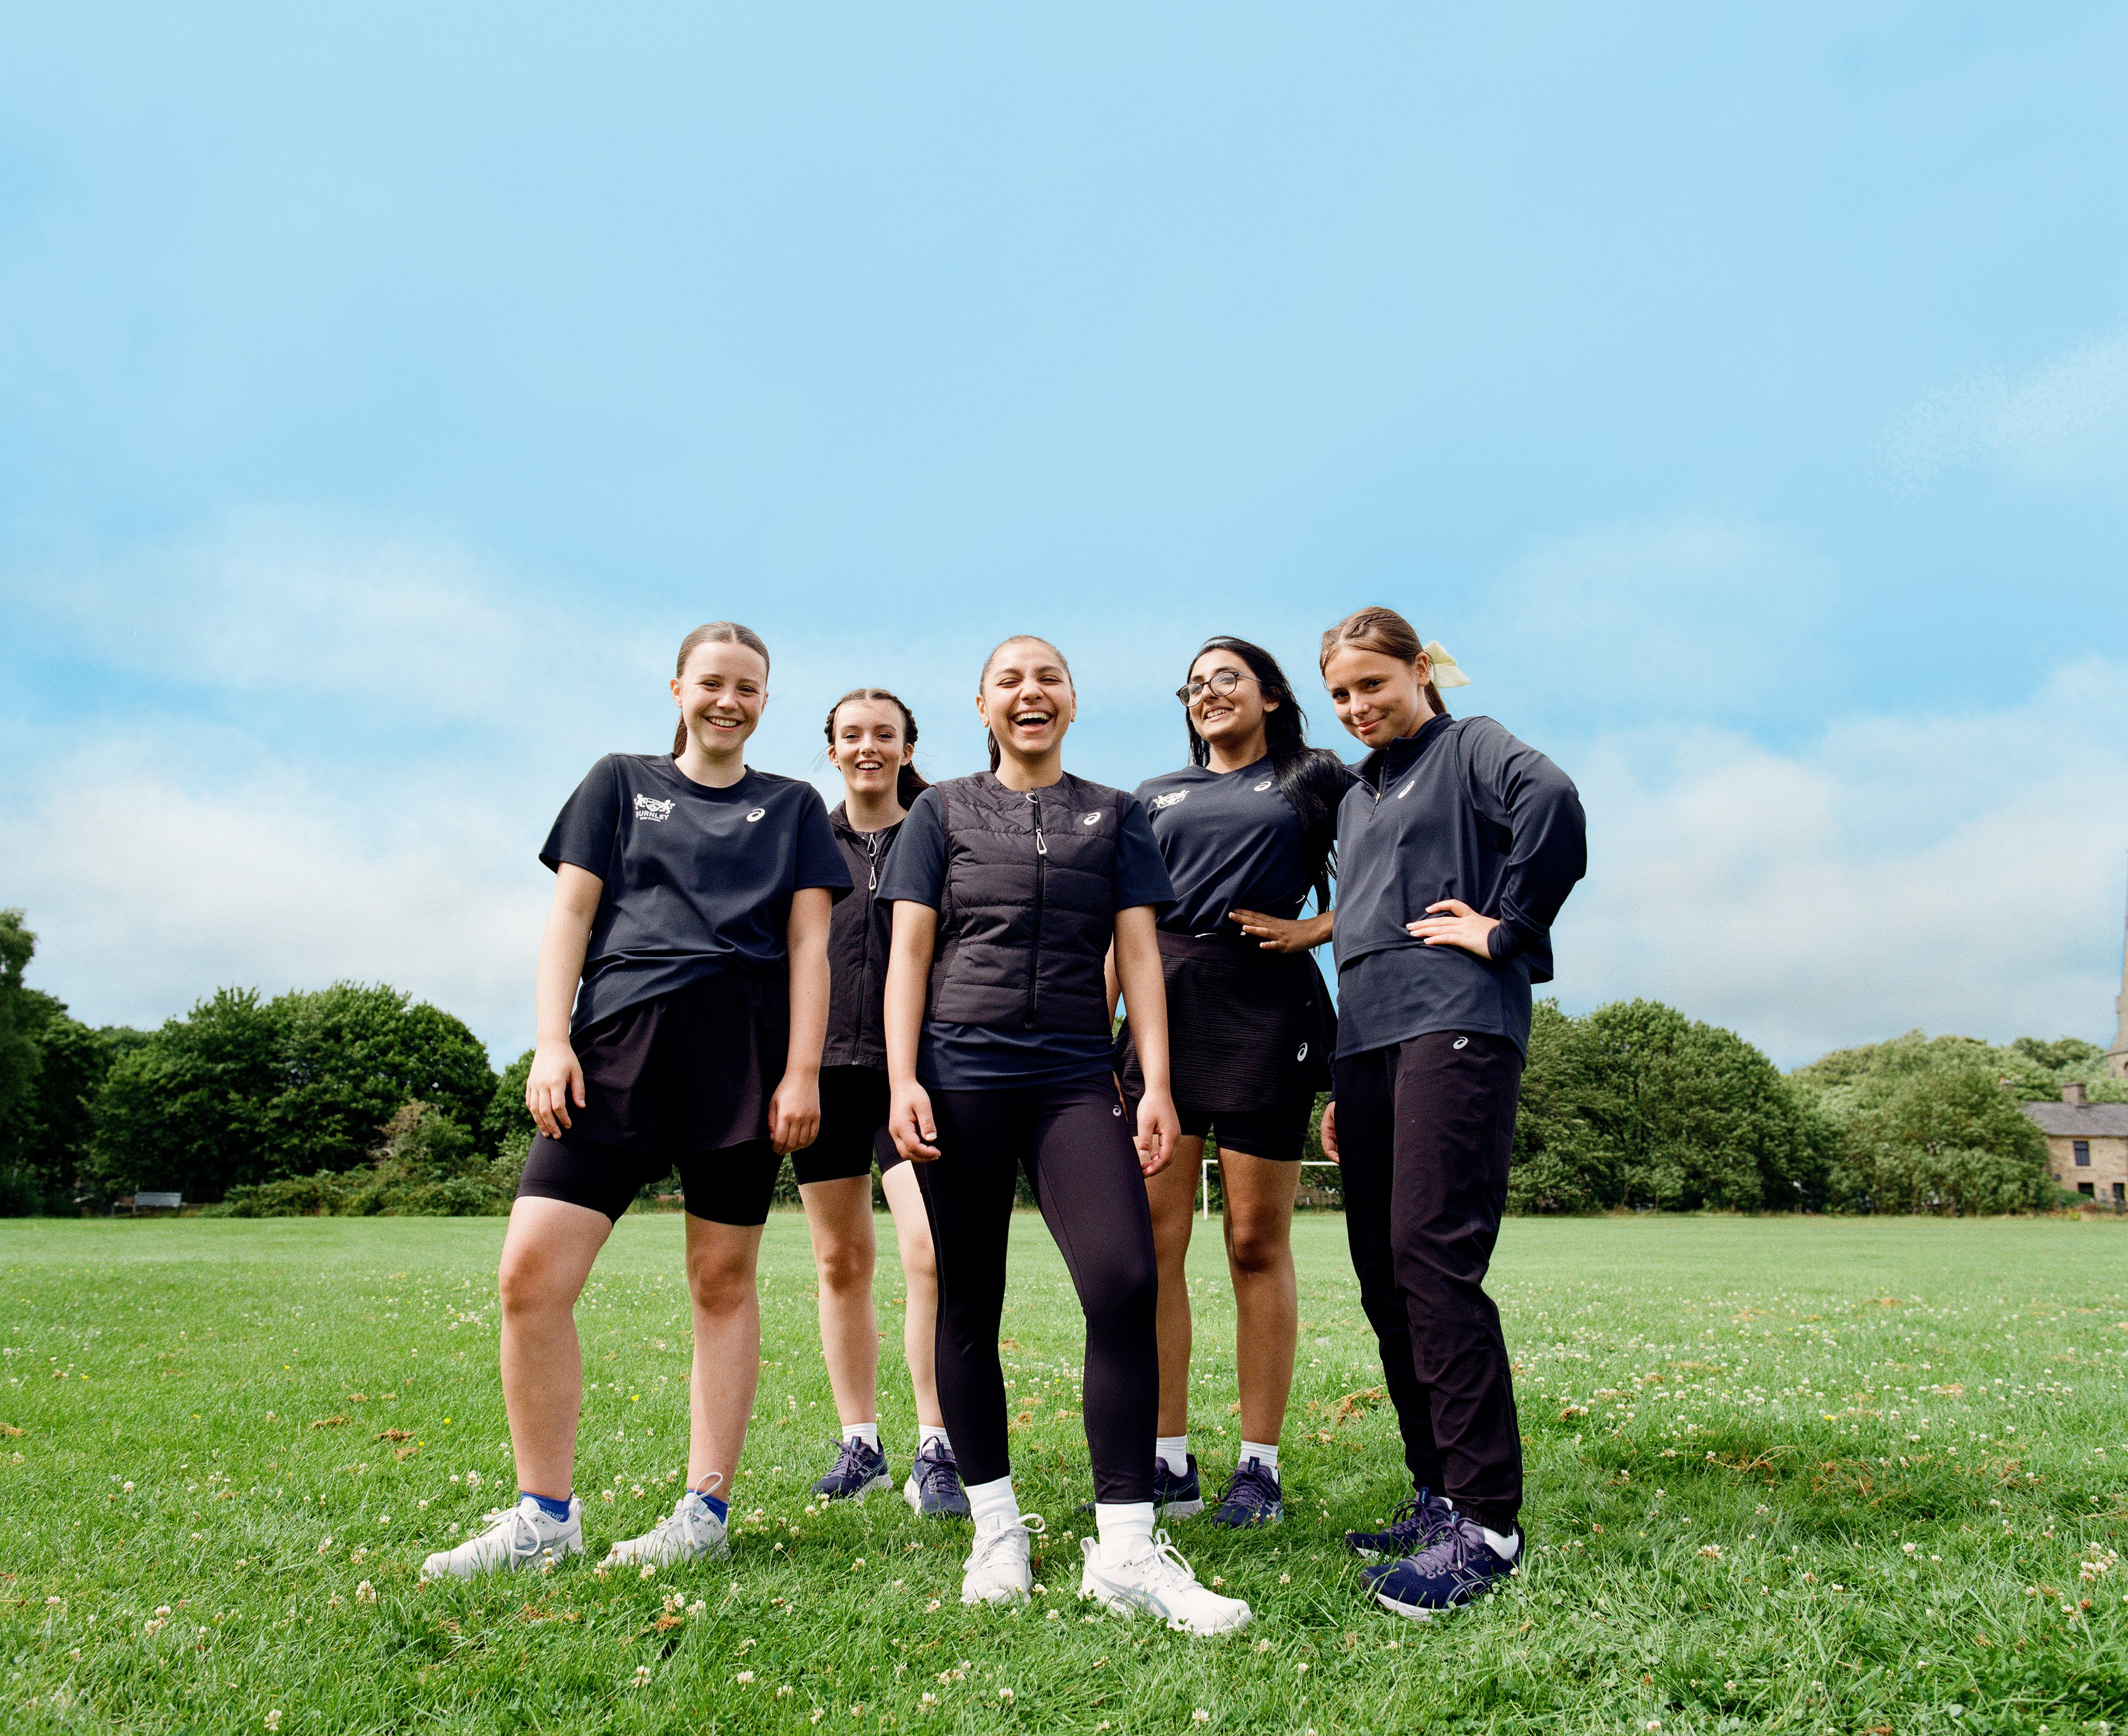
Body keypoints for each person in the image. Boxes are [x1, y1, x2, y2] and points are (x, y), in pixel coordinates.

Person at [422, 621, 851, 1581]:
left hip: (742, 1059)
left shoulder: (794, 806)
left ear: (766, 701)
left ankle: (705, 1511)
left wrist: (802, 1072)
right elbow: (571, 915)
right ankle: (544, 1517)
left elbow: (811, 948)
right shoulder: (618, 782)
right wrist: (552, 1041)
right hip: (614, 1051)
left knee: (721, 1282)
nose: (729, 700)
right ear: (677, 689)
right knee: (529, 1275)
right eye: (712, 682)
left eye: (748, 687)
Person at [879, 634, 1252, 1635]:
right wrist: (904, 1079)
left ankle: (1125, 1547)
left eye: (1048, 677)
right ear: (984, 707)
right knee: (970, 1299)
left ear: (1073, 703)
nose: (1029, 691)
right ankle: (995, 1526)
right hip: (960, 1076)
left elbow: (1140, 954)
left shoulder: (1116, 814)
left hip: (1074, 1081)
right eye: (1009, 679)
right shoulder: (940, 811)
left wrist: (1157, 1083)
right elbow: (909, 952)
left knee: (1125, 1280)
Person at [1315, 605, 1585, 1619]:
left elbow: (1553, 801)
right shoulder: (1358, 794)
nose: (1357, 706)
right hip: (1369, 1044)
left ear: (1420, 669)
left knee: (1432, 1258)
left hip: (1457, 1024)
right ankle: (1436, 1495)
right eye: (1341, 694)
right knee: (1384, 1275)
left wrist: (1509, 926)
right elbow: (1360, 928)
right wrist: (1344, 1077)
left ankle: (1488, 1522)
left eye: (1373, 684)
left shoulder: (1472, 746)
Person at [1116, 637, 1353, 1528]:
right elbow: (1123, 925)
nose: (1208, 692)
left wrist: (1316, 929)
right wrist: (1096, 1039)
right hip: (1165, 1018)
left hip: (1267, 1019)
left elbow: (1396, 864)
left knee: (1256, 1242)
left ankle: (1260, 1468)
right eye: (1195, 684)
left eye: (1227, 678)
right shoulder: (1153, 795)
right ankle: (1167, 1457)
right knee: (1155, 1246)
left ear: (1271, 696)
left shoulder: (1315, 779)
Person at [798, 688, 967, 1517]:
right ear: (832, 749)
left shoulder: (937, 833)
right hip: (823, 1074)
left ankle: (938, 1445)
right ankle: (860, 1443)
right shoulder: (803, 836)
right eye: (852, 735)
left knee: (929, 1251)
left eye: (885, 735)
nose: (868, 747)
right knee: (840, 1262)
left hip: (910, 1078)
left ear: (907, 748)